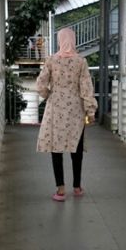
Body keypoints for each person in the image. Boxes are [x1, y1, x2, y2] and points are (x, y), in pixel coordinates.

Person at [36, 28, 97, 202]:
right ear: (74, 40)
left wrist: (50, 95)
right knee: (76, 149)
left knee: (56, 149)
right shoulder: (81, 61)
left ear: (59, 41)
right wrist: (90, 110)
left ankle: (60, 189)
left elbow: (40, 84)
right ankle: (77, 187)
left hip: (55, 109)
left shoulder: (51, 60)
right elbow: (86, 88)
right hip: (76, 110)